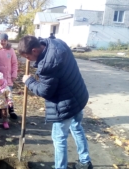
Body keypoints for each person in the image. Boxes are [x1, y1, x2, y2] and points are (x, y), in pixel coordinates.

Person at [18, 35, 93, 169]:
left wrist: (29, 81)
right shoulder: (56, 43)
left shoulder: (48, 65)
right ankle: (85, 161)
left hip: (66, 104)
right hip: (78, 94)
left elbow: (45, 92)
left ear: (35, 50)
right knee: (76, 127)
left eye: (28, 57)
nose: (27, 60)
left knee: (59, 138)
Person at [0, 33, 18, 119]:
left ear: (7, 41)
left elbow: (14, 63)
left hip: (8, 77)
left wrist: (14, 74)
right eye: (1, 40)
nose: (3, 42)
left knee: (9, 94)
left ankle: (11, 111)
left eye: (4, 40)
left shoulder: (11, 50)